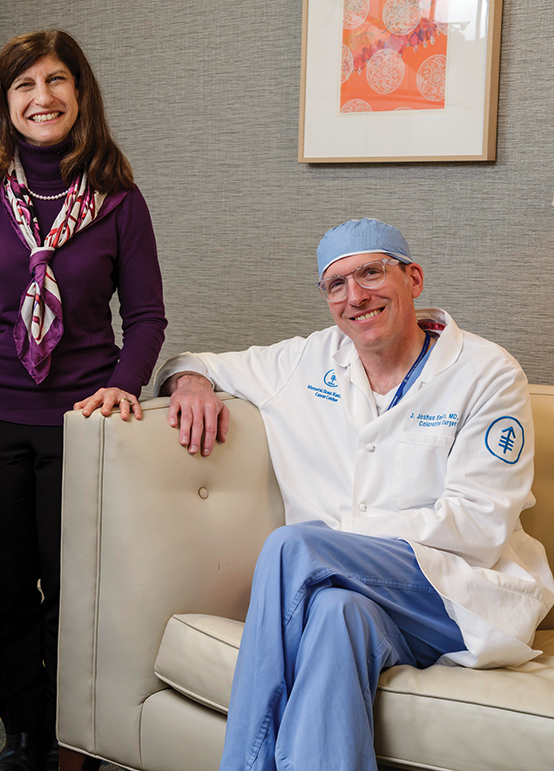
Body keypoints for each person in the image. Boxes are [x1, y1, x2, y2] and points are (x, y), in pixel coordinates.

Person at [156, 217, 554, 771]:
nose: (355, 296)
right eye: (337, 284)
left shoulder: (487, 373)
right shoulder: (305, 362)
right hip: (359, 597)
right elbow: (192, 362)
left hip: (457, 594)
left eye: (372, 273)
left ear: (413, 279)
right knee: (337, 613)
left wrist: (337, 548)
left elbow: (480, 526)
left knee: (295, 548)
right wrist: (192, 384)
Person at [0, 30, 167, 771]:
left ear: (80, 94)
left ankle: (72, 734)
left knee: (75, 591)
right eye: (24, 86)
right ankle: (22, 734)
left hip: (83, 426)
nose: (42, 98)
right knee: (7, 590)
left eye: (57, 81)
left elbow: (147, 316)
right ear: (6, 103)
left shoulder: (119, 200)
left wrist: (122, 387)